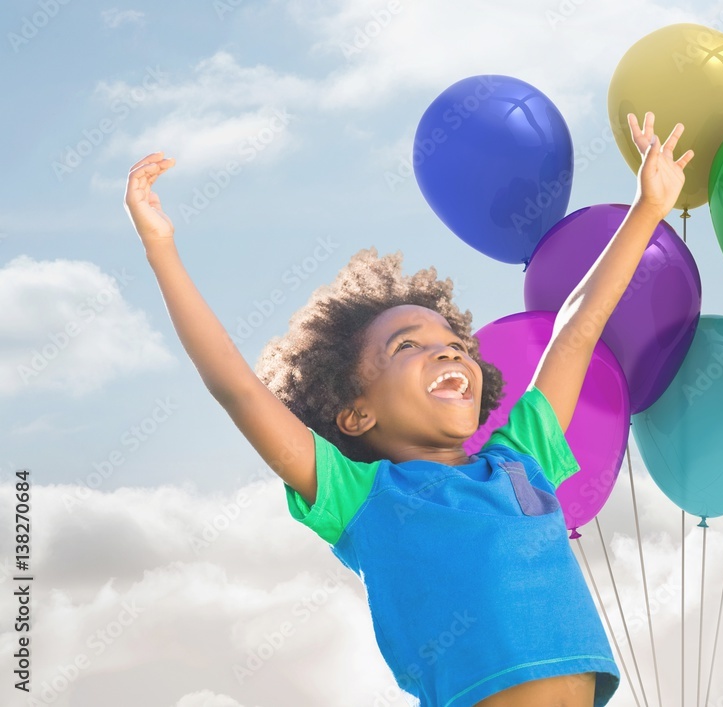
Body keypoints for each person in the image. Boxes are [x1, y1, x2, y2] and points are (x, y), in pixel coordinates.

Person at [124, 111, 693, 707]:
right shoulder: (360, 495)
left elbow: (576, 329)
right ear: (356, 414)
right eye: (407, 346)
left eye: (455, 344)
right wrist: (161, 248)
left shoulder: (522, 458)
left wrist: (648, 208)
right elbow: (236, 387)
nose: (446, 348)